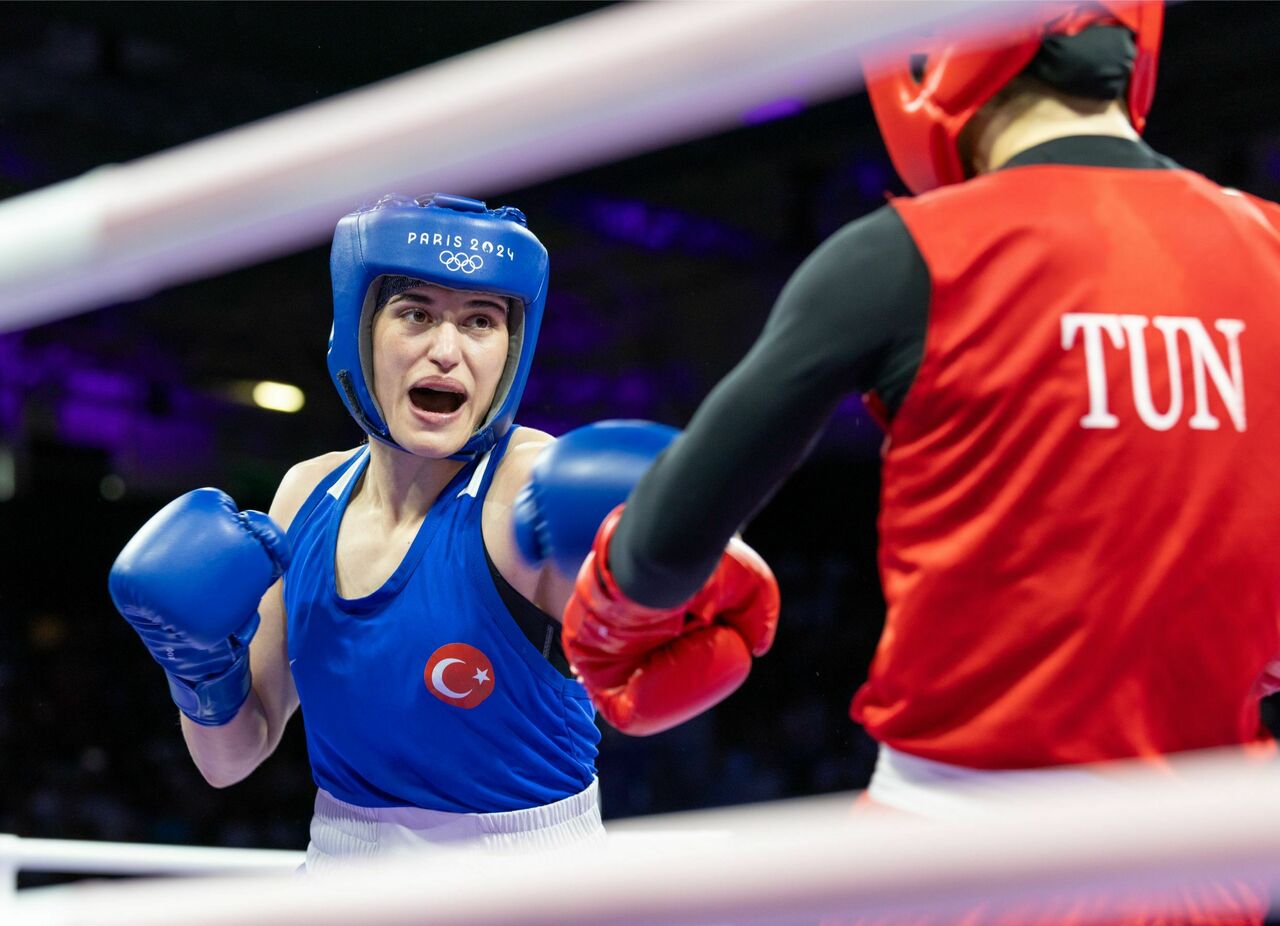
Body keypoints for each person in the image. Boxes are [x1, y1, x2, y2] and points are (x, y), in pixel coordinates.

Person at [543, 1, 1280, 920]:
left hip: (964, 860)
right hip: (1215, 859)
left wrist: (611, 614)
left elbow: (660, 551)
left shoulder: (912, 254)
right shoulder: (1270, 248)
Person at [107, 193, 704, 870]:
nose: (446, 351)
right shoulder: (306, 494)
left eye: (480, 321)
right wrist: (198, 667)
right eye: (416, 314)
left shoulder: (529, 483)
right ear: (361, 330)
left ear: (511, 350)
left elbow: (672, 551)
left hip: (528, 874)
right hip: (344, 862)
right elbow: (230, 761)